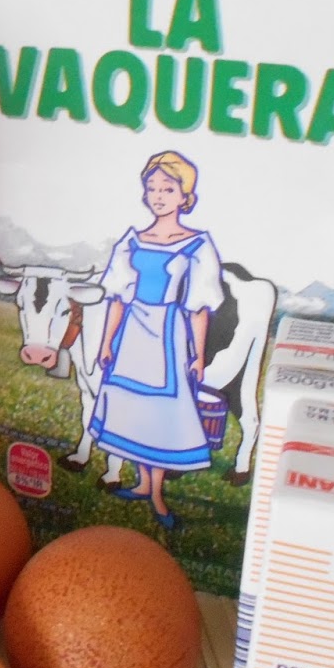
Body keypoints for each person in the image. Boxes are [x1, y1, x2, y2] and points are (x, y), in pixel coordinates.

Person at [89, 150, 223, 529]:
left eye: (168, 188)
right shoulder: (132, 241)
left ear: (185, 196)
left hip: (167, 332)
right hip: (132, 329)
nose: (159, 196)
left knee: (161, 411)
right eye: (152, 188)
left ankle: (158, 494)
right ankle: (143, 483)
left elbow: (198, 307)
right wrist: (107, 342)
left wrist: (198, 355)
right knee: (133, 405)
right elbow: (118, 298)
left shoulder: (196, 245)